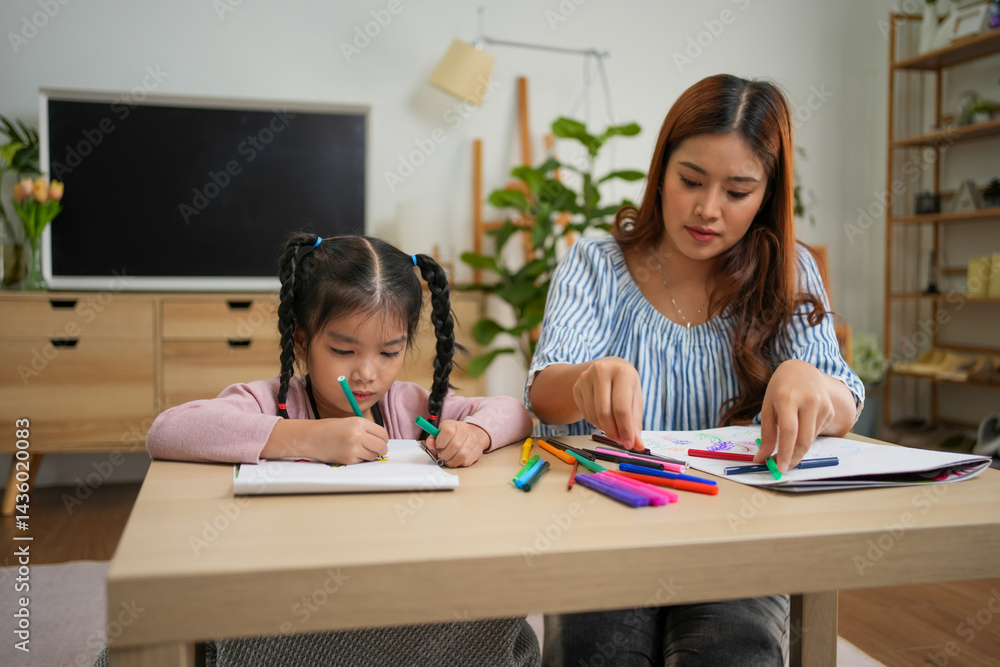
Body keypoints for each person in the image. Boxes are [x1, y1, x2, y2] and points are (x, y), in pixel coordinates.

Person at [527, 74, 864, 666]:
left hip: (739, 539)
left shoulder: (787, 270)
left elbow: (846, 400)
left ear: (768, 193)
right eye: (690, 181)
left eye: (738, 191)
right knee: (595, 653)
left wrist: (812, 381)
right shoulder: (595, 263)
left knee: (731, 650)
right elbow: (544, 393)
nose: (708, 209)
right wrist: (584, 380)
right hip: (606, 530)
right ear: (661, 170)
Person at [141, 233, 539, 667]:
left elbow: (515, 413)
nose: (368, 373)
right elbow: (169, 430)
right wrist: (308, 438)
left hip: (390, 584)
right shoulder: (271, 400)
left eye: (390, 352)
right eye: (343, 350)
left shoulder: (408, 404)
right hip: (290, 577)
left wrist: (474, 434)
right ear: (300, 339)